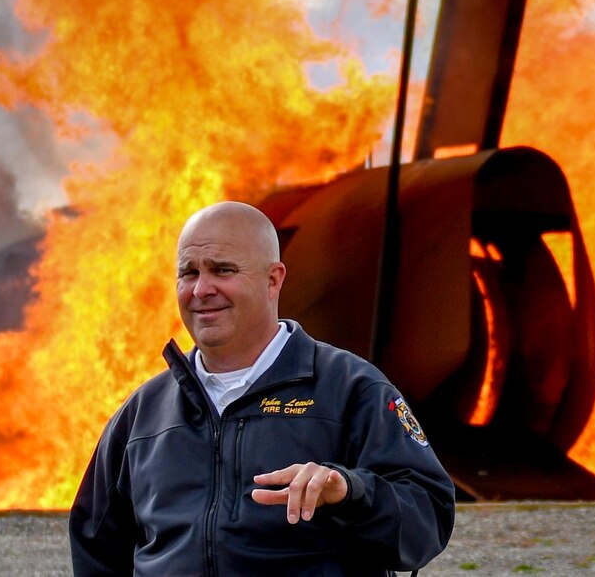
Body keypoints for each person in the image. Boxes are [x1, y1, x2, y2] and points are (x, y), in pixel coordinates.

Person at [69, 201, 456, 576]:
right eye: (188, 273)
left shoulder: (352, 389)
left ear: (273, 280)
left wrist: (350, 492)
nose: (201, 289)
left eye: (222, 270)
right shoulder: (143, 412)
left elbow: (428, 520)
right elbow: (95, 546)